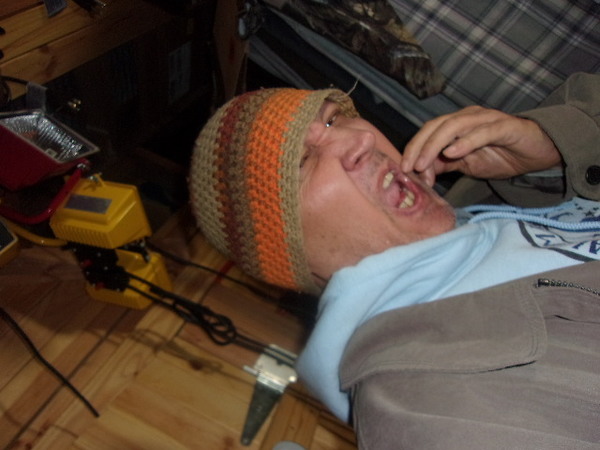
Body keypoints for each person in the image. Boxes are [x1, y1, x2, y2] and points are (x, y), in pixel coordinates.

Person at [188, 72, 600, 448]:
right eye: (303, 161)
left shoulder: (488, 193)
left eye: (333, 119)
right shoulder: (428, 403)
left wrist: (562, 147)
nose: (361, 140)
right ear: (290, 253)